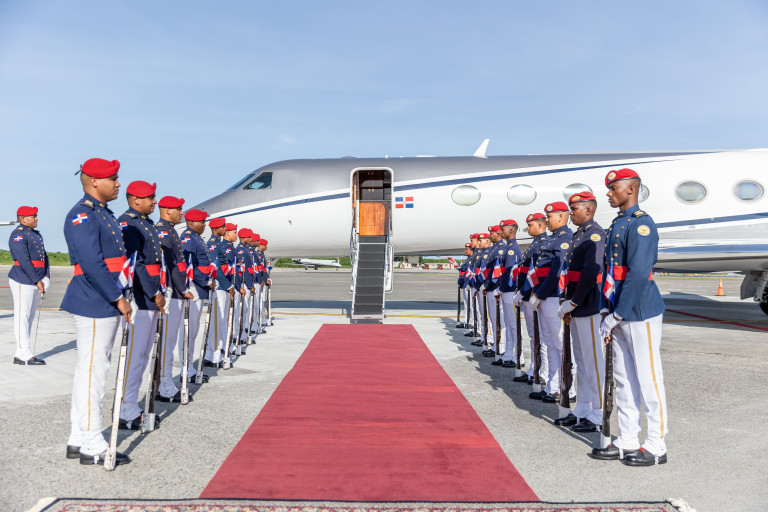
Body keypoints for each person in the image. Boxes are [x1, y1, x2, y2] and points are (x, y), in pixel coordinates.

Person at [591, 168, 668, 466]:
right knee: (623, 379)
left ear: (631, 189)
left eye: (614, 188)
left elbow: (637, 274)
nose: (608, 193)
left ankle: (657, 443)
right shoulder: (618, 223)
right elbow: (608, 272)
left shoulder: (641, 224)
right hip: (616, 310)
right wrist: (605, 309)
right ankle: (628, 437)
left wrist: (619, 313)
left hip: (639, 311)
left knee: (649, 378)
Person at [62, 157, 131, 466]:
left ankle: (78, 436)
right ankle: (92, 441)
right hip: (95, 300)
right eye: (112, 179)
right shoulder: (82, 215)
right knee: (94, 372)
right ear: (94, 182)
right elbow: (92, 264)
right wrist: (117, 297)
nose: (118, 184)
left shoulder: (102, 213)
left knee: (88, 370)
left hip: (102, 299)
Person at [555, 192, 606, 431]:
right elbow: (570, 275)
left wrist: (573, 302)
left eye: (574, 209)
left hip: (589, 304)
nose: (571, 213)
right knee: (582, 361)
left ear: (588, 210)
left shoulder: (595, 235)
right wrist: (566, 302)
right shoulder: (579, 235)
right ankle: (583, 408)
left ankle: (599, 413)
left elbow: (590, 274)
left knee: (593, 361)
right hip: (576, 306)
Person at [118, 181, 166, 430]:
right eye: (150, 197)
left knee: (143, 355)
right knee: (134, 356)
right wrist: (154, 292)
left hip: (150, 297)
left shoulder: (144, 223)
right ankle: (125, 408)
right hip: (139, 298)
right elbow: (135, 264)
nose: (154, 201)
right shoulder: (129, 224)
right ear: (136, 199)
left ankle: (131, 405)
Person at [528, 202, 573, 402]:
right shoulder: (553, 239)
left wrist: (539, 295)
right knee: (550, 343)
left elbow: (556, 274)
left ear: (561, 217)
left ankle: (568, 387)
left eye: (550, 216)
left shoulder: (565, 239)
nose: (547, 220)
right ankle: (553, 386)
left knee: (560, 344)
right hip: (545, 296)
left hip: (554, 296)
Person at [155, 195, 195, 402]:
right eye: (178, 209)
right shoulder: (163, 232)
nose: (181, 213)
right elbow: (169, 267)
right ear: (167, 211)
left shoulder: (171, 231)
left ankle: (164, 383)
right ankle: (165, 386)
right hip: (171, 294)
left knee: (169, 343)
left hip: (177, 292)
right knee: (167, 343)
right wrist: (181, 288)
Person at [8, 206, 49, 365]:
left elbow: (44, 257)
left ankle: (21, 353)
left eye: (36, 215)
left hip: (35, 279)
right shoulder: (18, 235)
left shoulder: (36, 235)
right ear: (23, 219)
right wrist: (37, 280)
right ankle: (24, 353)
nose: (36, 218)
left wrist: (46, 276)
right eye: (33, 216)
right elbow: (24, 260)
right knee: (22, 317)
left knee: (29, 318)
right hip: (22, 279)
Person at [512, 213, 549, 385]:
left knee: (541, 337)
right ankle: (535, 367)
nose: (527, 228)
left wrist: (523, 292)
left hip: (532, 295)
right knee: (534, 336)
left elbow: (535, 274)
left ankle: (544, 371)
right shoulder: (534, 244)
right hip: (526, 295)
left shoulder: (543, 244)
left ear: (540, 226)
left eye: (530, 225)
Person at [179, 209, 215, 383]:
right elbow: (188, 266)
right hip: (193, 290)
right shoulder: (188, 239)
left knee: (192, 332)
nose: (204, 225)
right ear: (192, 223)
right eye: (202, 222)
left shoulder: (197, 238)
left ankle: (189, 368)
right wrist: (206, 282)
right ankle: (186, 370)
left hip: (199, 290)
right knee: (188, 333)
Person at [205, 219, 235, 365]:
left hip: (223, 286)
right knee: (217, 322)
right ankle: (214, 356)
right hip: (218, 287)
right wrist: (228, 286)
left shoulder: (219, 244)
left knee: (221, 321)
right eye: (223, 227)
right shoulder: (213, 244)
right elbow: (215, 269)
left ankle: (214, 353)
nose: (225, 229)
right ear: (216, 229)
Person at [496, 219, 523, 368]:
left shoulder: (512, 249)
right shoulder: (508, 247)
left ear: (511, 230)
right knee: (509, 324)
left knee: (514, 325)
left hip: (510, 290)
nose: (501, 232)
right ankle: (508, 353)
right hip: (507, 291)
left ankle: (519, 356)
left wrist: (501, 288)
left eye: (503, 229)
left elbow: (508, 273)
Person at [483, 225, 507, 360]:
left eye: (492, 233)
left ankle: (500, 345)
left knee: (499, 319)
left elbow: (497, 272)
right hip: (491, 287)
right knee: (493, 317)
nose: (490, 236)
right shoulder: (494, 249)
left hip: (495, 288)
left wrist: (490, 286)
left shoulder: (501, 249)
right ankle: (496, 344)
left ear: (498, 234)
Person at [233, 228, 255, 346]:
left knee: (244, 312)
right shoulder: (241, 250)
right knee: (240, 313)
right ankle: (237, 336)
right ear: (243, 238)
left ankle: (242, 335)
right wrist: (250, 285)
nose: (251, 239)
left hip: (246, 283)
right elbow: (243, 270)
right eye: (249, 237)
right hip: (243, 284)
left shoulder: (245, 249)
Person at [470, 233, 491, 347]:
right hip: (480, 285)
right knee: (483, 313)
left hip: (484, 286)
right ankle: (484, 336)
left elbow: (484, 272)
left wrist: (478, 286)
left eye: (479, 240)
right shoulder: (481, 254)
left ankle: (489, 338)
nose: (478, 242)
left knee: (487, 315)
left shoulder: (486, 254)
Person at [456, 243, 472, 329]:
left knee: (471, 305)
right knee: (466, 304)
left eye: (466, 249)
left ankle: (471, 322)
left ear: (471, 250)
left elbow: (467, 273)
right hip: (465, 284)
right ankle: (466, 321)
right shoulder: (467, 259)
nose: (465, 251)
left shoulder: (471, 260)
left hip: (469, 285)